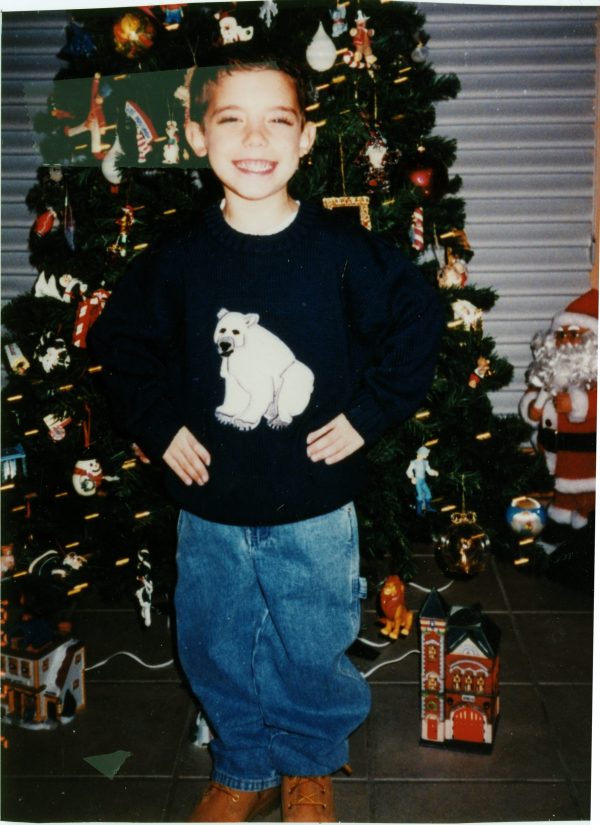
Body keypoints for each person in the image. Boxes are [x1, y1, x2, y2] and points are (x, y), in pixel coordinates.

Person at [90, 56, 444, 823]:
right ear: (197, 136)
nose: (255, 139)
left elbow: (420, 319)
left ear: (306, 136)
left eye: (277, 121)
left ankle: (310, 761)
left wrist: (368, 414)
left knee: (311, 640)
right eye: (232, 121)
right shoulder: (179, 258)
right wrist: (159, 425)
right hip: (210, 504)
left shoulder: (344, 250)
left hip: (314, 502)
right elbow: (120, 343)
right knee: (215, 641)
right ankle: (244, 763)